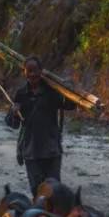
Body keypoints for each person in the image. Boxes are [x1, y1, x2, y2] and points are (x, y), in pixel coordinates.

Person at [5, 56, 77, 196]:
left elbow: (69, 106)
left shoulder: (52, 91)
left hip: (51, 150)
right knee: (37, 192)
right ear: (24, 72)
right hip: (31, 152)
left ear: (41, 71)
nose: (32, 74)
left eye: (35, 70)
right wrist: (13, 113)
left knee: (54, 191)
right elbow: (13, 124)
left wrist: (70, 92)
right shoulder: (21, 94)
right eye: (29, 71)